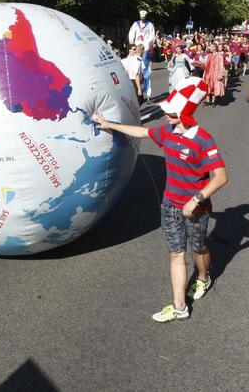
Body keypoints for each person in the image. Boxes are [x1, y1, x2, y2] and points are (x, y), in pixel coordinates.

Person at [92, 76, 229, 323]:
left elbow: (220, 177)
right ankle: (179, 306)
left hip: (196, 209)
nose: (166, 116)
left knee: (198, 249)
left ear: (186, 114)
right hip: (170, 206)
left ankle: (203, 277)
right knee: (177, 254)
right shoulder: (168, 131)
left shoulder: (203, 140)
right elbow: (143, 131)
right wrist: (110, 125)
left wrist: (196, 199)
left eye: (172, 113)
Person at [128, 10, 156, 101]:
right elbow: (132, 33)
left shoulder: (150, 25)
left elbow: (152, 35)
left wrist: (148, 42)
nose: (142, 19)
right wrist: (131, 41)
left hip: (145, 47)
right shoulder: (136, 24)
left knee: (144, 70)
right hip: (137, 46)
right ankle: (135, 91)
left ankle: (146, 91)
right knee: (134, 68)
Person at [202, 43, 226, 107]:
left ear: (215, 48)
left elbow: (221, 65)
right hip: (208, 73)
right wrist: (199, 64)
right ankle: (207, 101)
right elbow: (206, 65)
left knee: (214, 87)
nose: (211, 48)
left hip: (215, 74)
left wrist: (220, 74)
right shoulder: (209, 55)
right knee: (207, 87)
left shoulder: (219, 55)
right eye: (210, 47)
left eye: (212, 47)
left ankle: (213, 101)